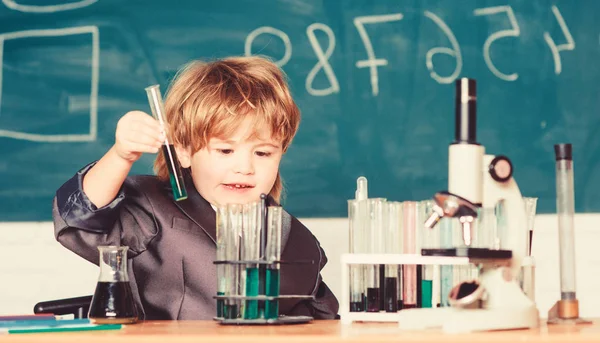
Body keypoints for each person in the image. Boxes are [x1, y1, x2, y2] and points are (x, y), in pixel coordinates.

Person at [52, 56, 339, 320]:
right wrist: (120, 155)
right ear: (184, 151)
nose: (245, 167)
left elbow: (324, 322)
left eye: (262, 153)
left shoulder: (297, 238)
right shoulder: (152, 211)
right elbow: (81, 221)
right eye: (225, 150)